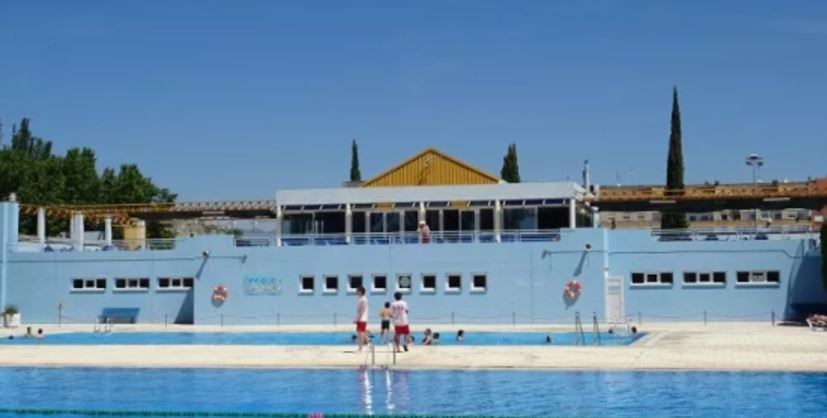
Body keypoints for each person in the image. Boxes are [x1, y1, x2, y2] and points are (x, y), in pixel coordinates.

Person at [354, 286, 368, 351]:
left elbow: (362, 310)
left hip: (362, 319)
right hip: (361, 318)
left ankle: (361, 347)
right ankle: (367, 343)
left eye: (357, 291)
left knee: (361, 333)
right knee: (361, 333)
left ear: (360, 291)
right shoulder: (361, 299)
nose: (356, 292)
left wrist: (358, 319)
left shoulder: (363, 299)